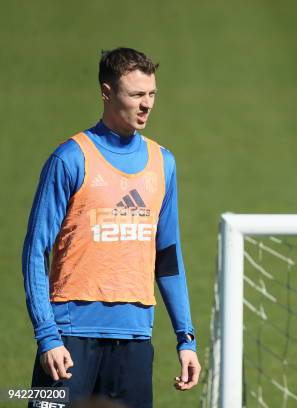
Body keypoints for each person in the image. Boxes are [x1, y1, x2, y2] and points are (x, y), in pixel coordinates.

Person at [22, 47, 201, 408]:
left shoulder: (162, 163)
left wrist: (186, 339)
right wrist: (48, 336)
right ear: (107, 93)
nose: (146, 104)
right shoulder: (71, 158)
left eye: (151, 94)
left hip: (134, 339)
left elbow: (167, 256)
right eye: (136, 94)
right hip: (70, 338)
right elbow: (34, 251)